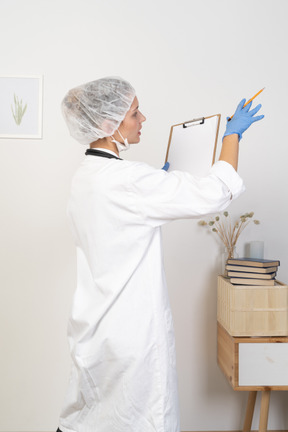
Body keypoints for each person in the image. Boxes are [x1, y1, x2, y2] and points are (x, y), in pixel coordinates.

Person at [57, 77, 264, 432]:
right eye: (134, 113)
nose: (143, 119)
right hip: (131, 333)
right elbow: (214, 193)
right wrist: (232, 136)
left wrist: (158, 182)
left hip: (94, 326)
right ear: (109, 124)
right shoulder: (129, 181)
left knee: (88, 417)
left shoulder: (87, 176)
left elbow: (120, 218)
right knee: (138, 418)